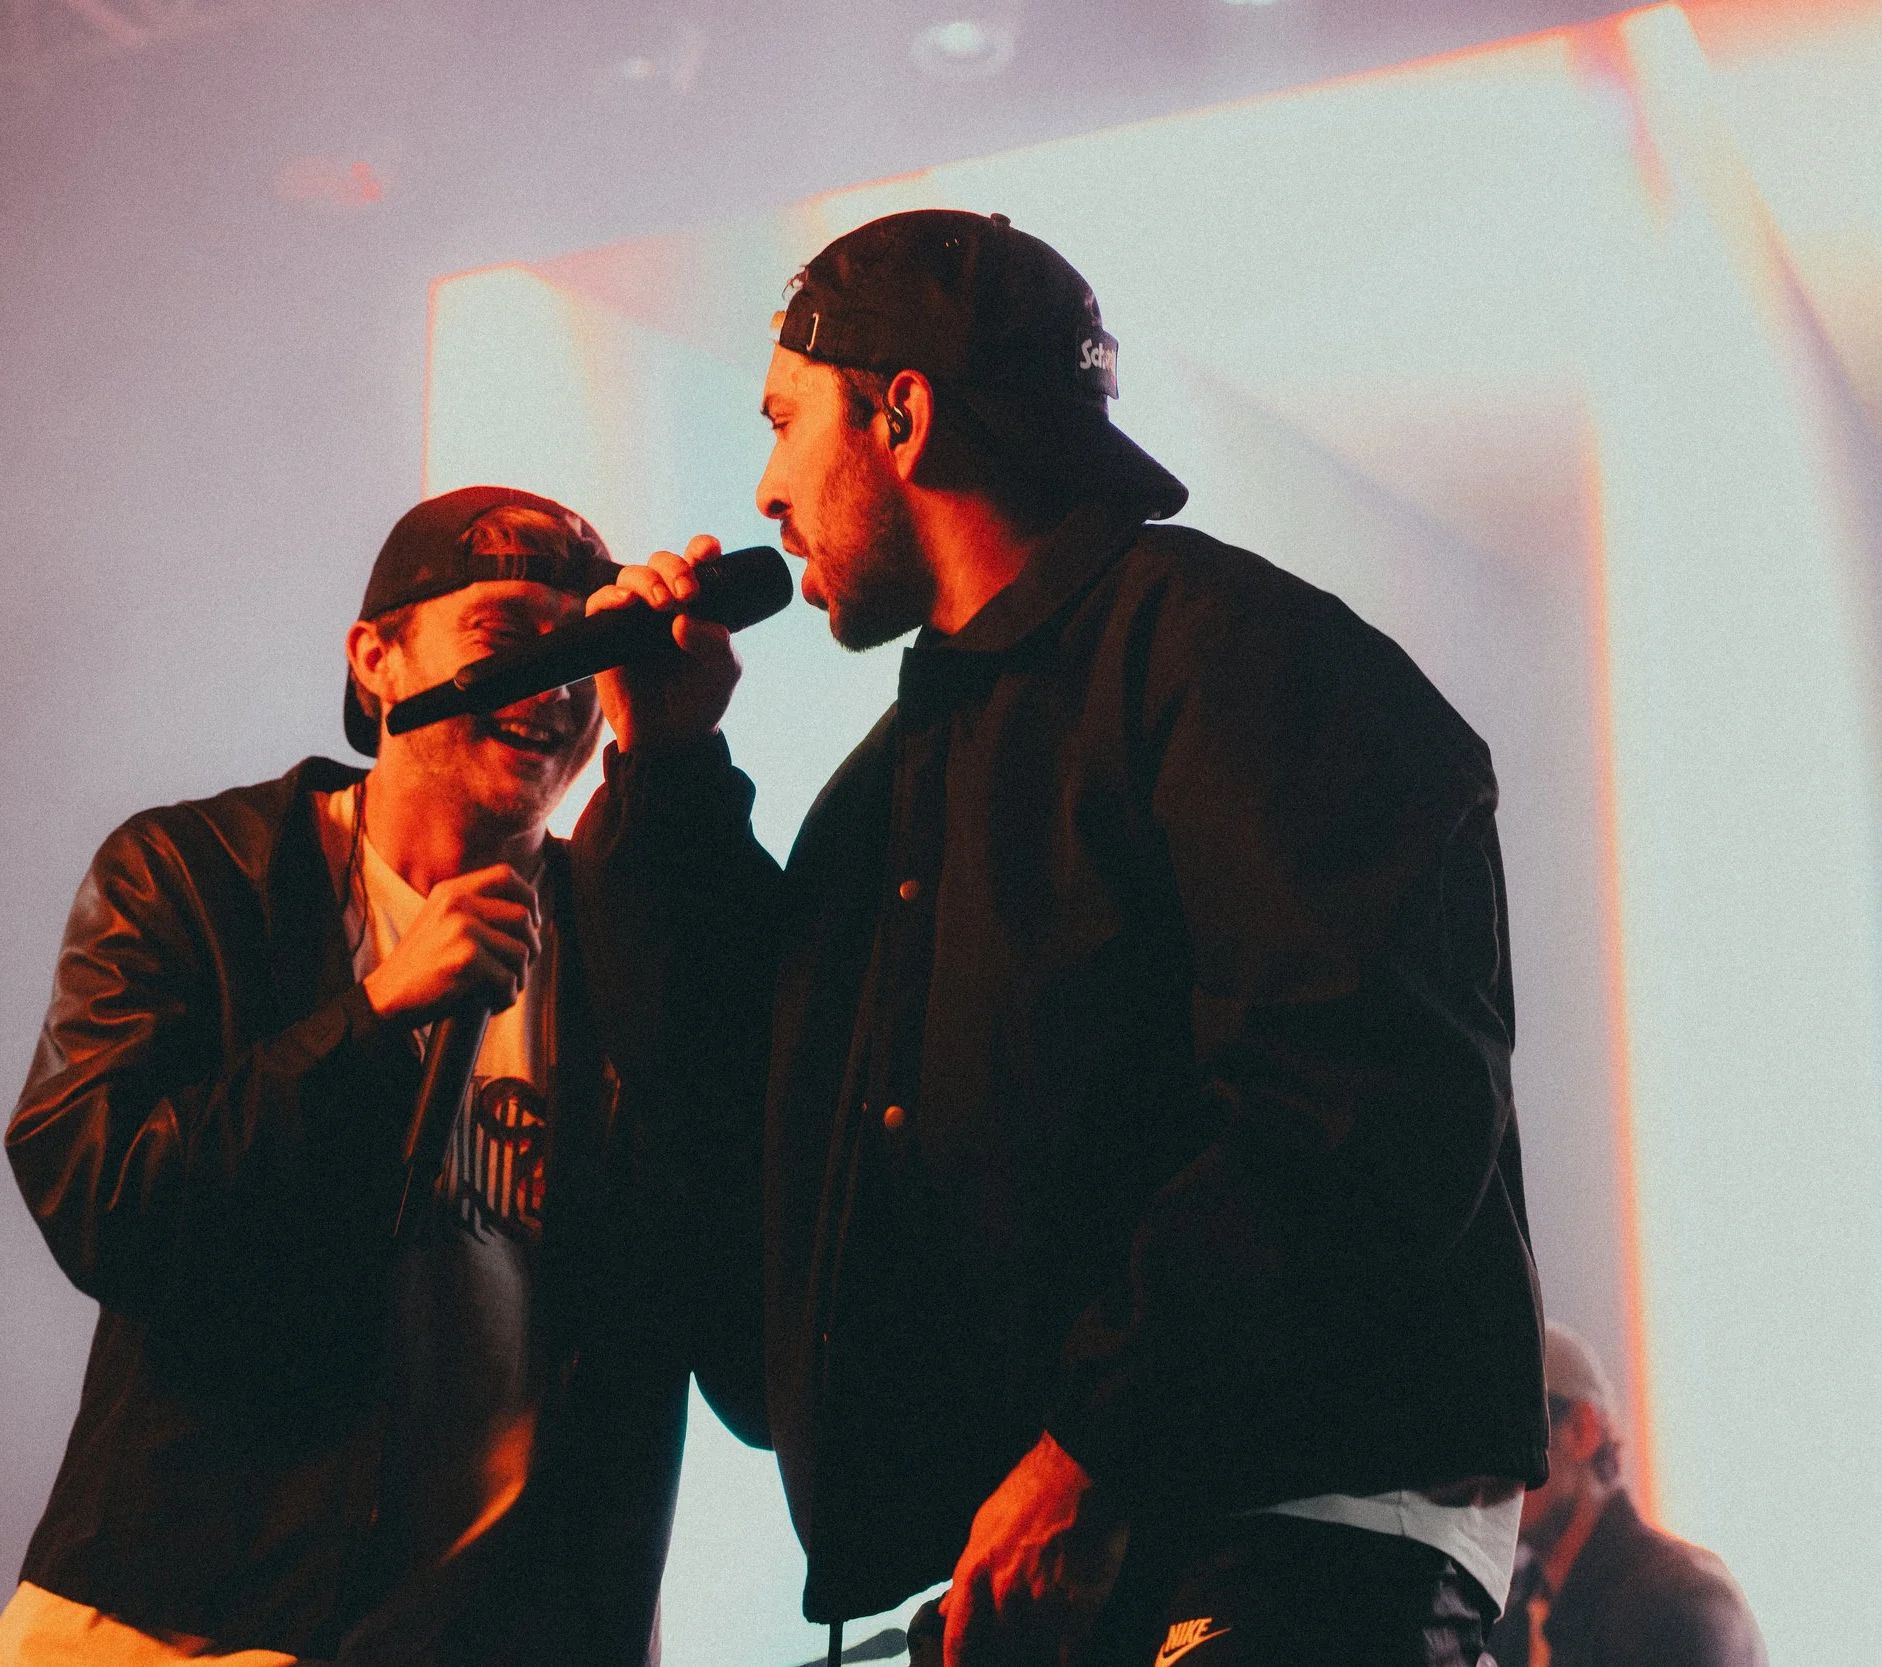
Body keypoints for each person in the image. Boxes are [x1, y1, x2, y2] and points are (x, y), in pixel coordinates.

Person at [583, 209, 1549, 1667]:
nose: (766, 491)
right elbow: (755, 1151)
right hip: (1056, 1571)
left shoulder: (1233, 654)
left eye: (785, 422)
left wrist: (1096, 1445)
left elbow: (1359, 1102)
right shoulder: (896, 790)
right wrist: (664, 777)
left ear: (900, 411)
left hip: (1286, 1557)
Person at [0, 486, 766, 1667]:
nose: (553, 687)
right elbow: (105, 1199)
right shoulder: (195, 876)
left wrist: (675, 758)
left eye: (582, 649)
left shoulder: (625, 928)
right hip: (171, 1630)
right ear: (376, 658)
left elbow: (744, 1223)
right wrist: (372, 1018)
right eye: (509, 644)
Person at [1484, 1325, 1767, 1667]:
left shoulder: (1680, 1604)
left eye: (1509, 1434)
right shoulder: (1511, 1609)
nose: (1486, 1469)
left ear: (1582, 1429)